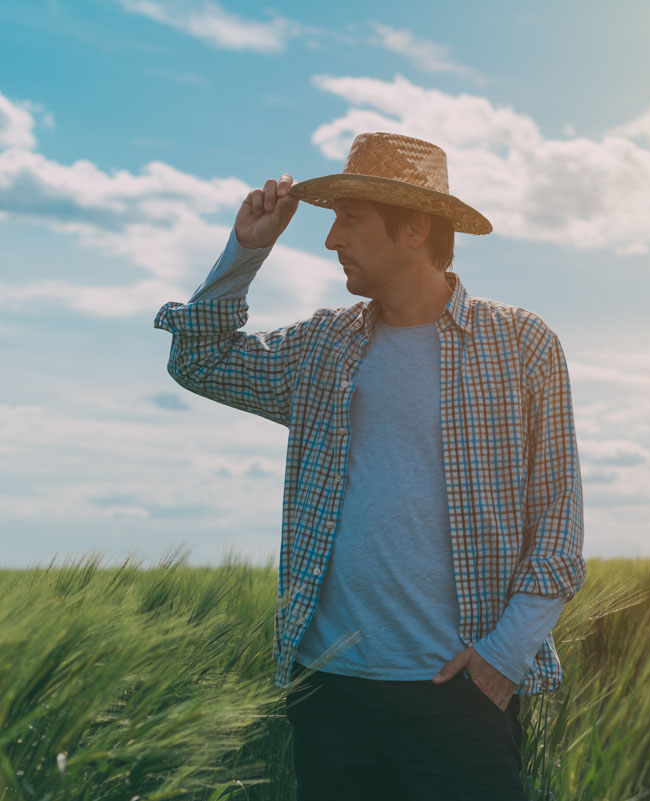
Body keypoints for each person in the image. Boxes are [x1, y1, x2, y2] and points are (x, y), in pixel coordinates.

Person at [153, 132, 585, 800]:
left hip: (462, 693)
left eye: (349, 219)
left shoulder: (522, 345)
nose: (331, 240)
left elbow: (559, 524)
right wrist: (247, 249)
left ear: (412, 228)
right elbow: (199, 360)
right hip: (330, 693)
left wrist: (502, 660)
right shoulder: (324, 345)